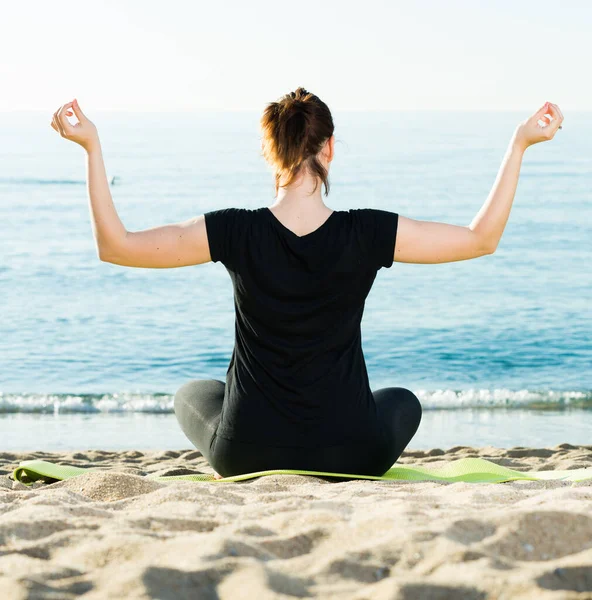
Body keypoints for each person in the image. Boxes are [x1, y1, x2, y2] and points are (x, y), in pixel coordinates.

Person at [51, 90, 564, 479]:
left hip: (247, 451)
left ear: (270, 152)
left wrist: (91, 148)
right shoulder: (368, 231)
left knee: (195, 393)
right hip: (353, 453)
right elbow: (481, 239)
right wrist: (520, 144)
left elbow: (115, 246)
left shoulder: (234, 230)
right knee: (401, 400)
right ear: (330, 149)